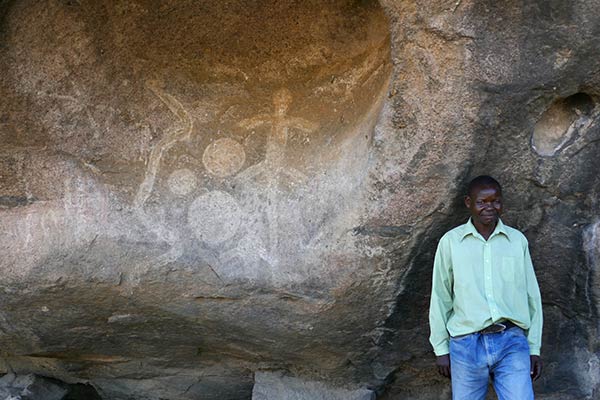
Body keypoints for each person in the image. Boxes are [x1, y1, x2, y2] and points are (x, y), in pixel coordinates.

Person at [428, 175, 543, 399]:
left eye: (495, 201)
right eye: (482, 202)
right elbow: (440, 297)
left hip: (511, 340)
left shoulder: (516, 241)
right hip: (465, 345)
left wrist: (534, 347)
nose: (489, 207)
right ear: (468, 203)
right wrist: (441, 349)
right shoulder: (451, 242)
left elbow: (532, 297)